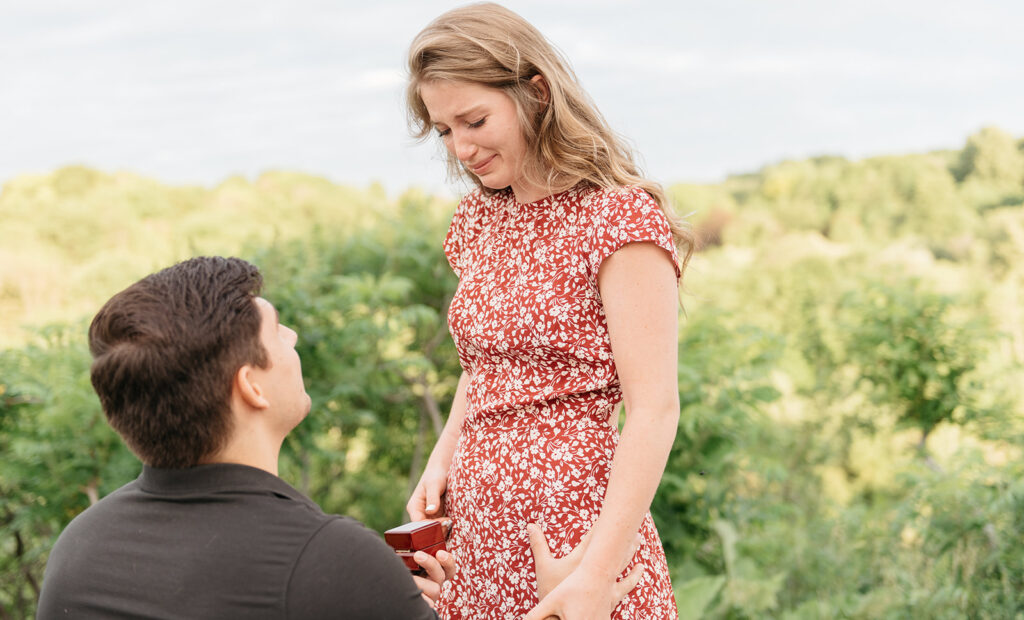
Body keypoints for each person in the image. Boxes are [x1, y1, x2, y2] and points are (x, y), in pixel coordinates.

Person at [37, 256, 638, 619]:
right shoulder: (327, 560)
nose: (293, 336)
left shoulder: (80, 548)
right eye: (278, 332)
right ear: (252, 386)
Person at [404, 3, 696, 620]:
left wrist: (594, 574)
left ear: (535, 91)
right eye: (445, 130)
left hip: (574, 537)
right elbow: (488, 363)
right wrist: (443, 455)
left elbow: (655, 409)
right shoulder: (480, 221)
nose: (461, 148)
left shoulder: (620, 220)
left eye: (475, 119)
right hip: (476, 538)